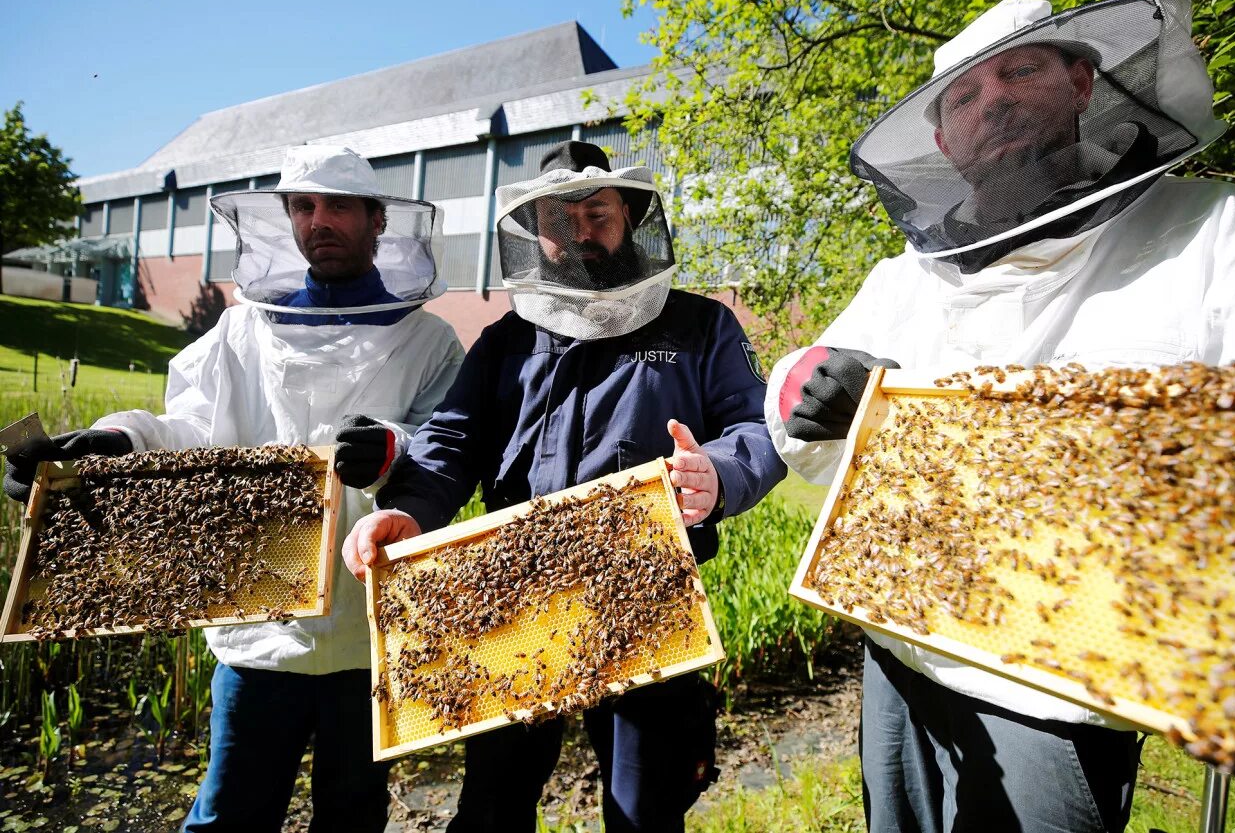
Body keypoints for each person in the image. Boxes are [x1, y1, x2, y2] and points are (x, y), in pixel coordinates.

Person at [766, 0, 1235, 833]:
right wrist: (809, 386)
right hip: (897, 643)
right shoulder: (908, 276)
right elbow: (795, 401)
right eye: (963, 97)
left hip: (1054, 680)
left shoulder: (1218, 233)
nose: (992, 101)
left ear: (1084, 80)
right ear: (942, 142)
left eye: (1020, 71)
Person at [4, 144, 465, 831]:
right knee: (229, 817)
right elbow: (189, 426)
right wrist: (115, 441)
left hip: (371, 633)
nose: (320, 221)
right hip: (258, 633)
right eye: (304, 207)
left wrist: (396, 447)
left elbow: (451, 447)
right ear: (285, 221)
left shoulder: (430, 341)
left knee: (354, 815)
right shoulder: (241, 329)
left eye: (339, 205)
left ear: (377, 220)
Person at [343, 140, 787, 833]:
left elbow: (758, 428)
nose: (579, 232)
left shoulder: (701, 324)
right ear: (533, 231)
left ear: (630, 217)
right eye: (559, 217)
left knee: (644, 809)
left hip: (648, 594)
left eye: (597, 213)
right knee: (492, 804)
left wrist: (720, 472)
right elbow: (451, 442)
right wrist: (407, 509)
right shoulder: (505, 341)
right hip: (515, 598)